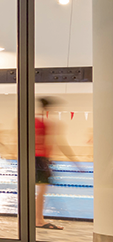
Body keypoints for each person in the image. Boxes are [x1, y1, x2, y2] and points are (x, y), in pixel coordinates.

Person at [35, 97, 76, 231]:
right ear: (48, 109)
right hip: (41, 159)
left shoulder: (31, 121)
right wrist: (75, 160)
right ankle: (39, 220)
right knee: (41, 191)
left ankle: (36, 218)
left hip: (33, 158)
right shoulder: (48, 123)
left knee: (35, 190)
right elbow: (58, 142)